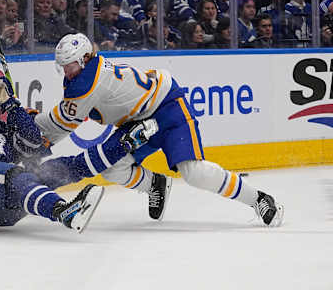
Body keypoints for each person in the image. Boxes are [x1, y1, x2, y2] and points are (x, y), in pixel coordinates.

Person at [35, 33, 285, 226]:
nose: (65, 71)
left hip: (166, 107)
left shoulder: (86, 83)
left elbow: (61, 123)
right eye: (63, 65)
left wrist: (32, 132)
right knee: (112, 169)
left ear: (85, 59)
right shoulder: (84, 75)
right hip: (136, 122)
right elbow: (64, 118)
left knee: (193, 172)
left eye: (69, 64)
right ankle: (154, 184)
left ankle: (259, 198)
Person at [0, 70, 154, 233]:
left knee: (63, 167)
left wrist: (11, 106)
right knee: (15, 175)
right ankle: (63, 211)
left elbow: (33, 143)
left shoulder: (5, 134)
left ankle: (125, 144)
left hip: (7, 205)